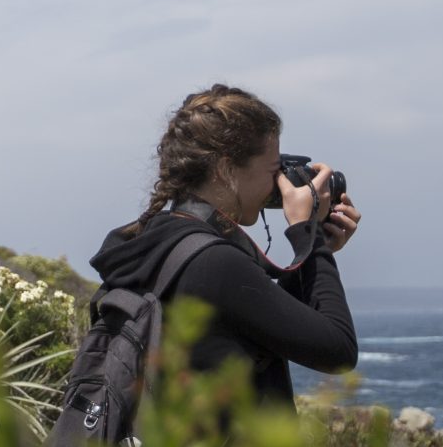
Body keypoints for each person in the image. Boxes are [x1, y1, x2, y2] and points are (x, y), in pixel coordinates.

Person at [88, 84, 361, 408]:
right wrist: (311, 238)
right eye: (273, 171)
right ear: (225, 169)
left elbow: (264, 313)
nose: (279, 184)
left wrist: (314, 247)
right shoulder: (214, 261)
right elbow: (338, 351)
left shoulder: (159, 243)